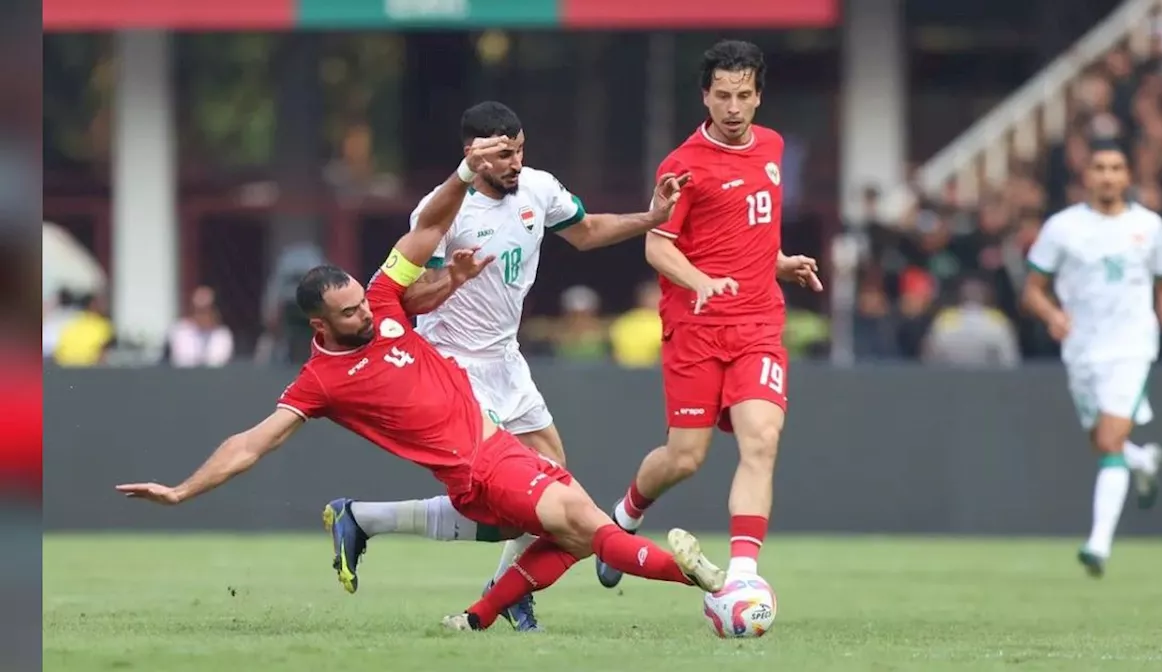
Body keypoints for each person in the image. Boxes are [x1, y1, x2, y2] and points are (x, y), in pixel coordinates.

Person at [115, 136, 725, 632]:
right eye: (350, 313)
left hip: (493, 446)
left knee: (564, 533)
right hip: (480, 467)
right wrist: (182, 491)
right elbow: (252, 442)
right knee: (588, 527)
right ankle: (703, 581)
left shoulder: (381, 299)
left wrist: (463, 175)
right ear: (319, 323)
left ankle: (474, 611)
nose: (367, 313)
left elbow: (425, 231)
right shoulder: (320, 381)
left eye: (361, 300)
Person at [329, 101, 691, 631]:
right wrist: (450, 279)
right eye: (502, 153)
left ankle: (364, 520)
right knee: (516, 505)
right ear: (472, 154)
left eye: (518, 149)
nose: (514, 161)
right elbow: (402, 301)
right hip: (453, 368)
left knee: (554, 484)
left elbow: (587, 231)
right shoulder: (444, 209)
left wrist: (652, 218)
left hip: (506, 360)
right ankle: (504, 592)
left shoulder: (539, 188)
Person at [595, 40, 822, 589]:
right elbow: (657, 246)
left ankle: (744, 575)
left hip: (758, 325)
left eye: (743, 95)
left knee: (761, 438)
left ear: (759, 96)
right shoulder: (682, 166)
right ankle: (623, 519)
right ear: (706, 96)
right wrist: (699, 281)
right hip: (694, 328)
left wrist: (779, 262)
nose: (734, 107)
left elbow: (749, 234)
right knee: (685, 456)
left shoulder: (771, 147)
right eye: (722, 95)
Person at [1022, 139, 1162, 578]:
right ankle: (1144, 461)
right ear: (1087, 176)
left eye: (1116, 167)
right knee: (1102, 440)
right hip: (1082, 349)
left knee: (1110, 442)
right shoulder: (1062, 228)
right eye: (1100, 168)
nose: (1108, 176)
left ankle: (1098, 544)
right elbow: (1032, 290)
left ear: (1128, 176)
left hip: (1132, 345)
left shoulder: (1149, 227)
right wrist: (1052, 315)